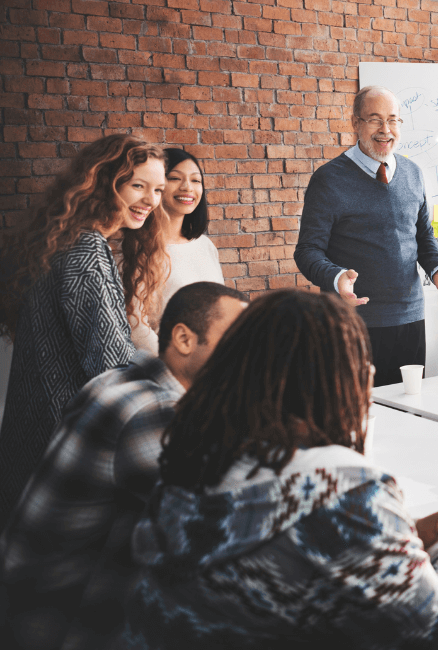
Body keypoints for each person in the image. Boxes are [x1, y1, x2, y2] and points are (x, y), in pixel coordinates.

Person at [120, 290, 438, 646]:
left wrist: (403, 535)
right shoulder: (343, 486)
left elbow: (279, 547)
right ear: (341, 382)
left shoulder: (191, 457)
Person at [0, 282, 248, 650]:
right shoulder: (154, 412)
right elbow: (220, 526)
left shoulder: (123, 377)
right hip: (52, 625)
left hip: (24, 601)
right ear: (183, 339)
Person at [0, 134, 168, 523]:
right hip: (64, 443)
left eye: (157, 189)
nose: (150, 200)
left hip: (30, 437)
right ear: (105, 182)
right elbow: (110, 366)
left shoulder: (61, 240)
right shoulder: (87, 250)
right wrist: (180, 375)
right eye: (137, 186)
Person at [295, 85, 438, 387]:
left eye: (393, 120)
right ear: (355, 123)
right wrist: (337, 278)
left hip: (410, 318)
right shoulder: (328, 179)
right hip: (355, 321)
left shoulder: (413, 173)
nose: (385, 130)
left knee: (409, 407)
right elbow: (308, 251)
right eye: (374, 119)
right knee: (359, 414)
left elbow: (424, 239)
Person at [130, 148, 225, 354]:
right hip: (170, 369)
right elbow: (136, 327)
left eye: (196, 180)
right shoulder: (136, 249)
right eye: (174, 178)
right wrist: (176, 370)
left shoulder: (205, 245)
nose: (187, 187)